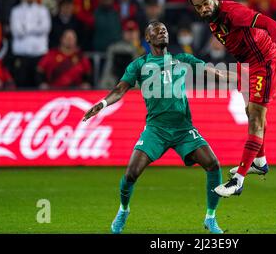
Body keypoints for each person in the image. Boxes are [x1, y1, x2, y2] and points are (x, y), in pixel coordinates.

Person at [83, 21, 227, 234]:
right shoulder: (139, 65)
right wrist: (102, 104)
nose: (162, 32)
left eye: (165, 30)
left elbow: (206, 69)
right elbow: (120, 89)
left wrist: (226, 76)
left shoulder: (181, 58)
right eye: (156, 30)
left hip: (183, 129)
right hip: (156, 129)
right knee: (131, 173)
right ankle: (123, 210)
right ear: (147, 38)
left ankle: (210, 218)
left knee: (213, 164)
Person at [188, 0, 276, 197]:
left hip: (265, 62)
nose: (203, 9)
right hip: (250, 65)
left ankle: (238, 181)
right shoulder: (213, 21)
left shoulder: (233, 13)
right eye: (198, 7)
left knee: (256, 117)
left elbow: (269, 23)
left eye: (205, 4)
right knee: (251, 112)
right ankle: (260, 161)